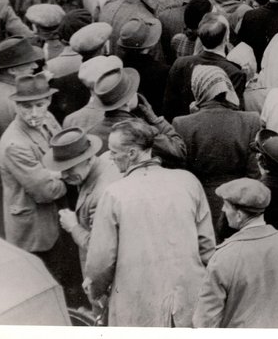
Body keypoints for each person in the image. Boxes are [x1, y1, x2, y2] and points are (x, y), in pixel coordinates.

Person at [85, 119, 216, 326]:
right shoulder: (188, 181)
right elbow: (207, 247)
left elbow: (101, 261)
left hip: (138, 305)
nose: (110, 157)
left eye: (114, 152)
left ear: (131, 153)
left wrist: (96, 291)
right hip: (188, 301)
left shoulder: (114, 194)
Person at [193, 177, 278, 328]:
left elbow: (205, 321)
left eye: (226, 206)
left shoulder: (223, 257)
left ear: (239, 215)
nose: (223, 210)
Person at [0, 74, 79, 299]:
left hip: (55, 217)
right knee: (45, 287)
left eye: (39, 105)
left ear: (49, 101)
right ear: (16, 105)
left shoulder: (47, 118)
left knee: (63, 278)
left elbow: (62, 152)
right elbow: (46, 192)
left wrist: (55, 174)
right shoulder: (15, 144)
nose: (33, 113)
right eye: (26, 106)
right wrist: (67, 176)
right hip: (36, 230)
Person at [172, 66, 261, 235]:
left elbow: (182, 173)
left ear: (197, 89)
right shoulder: (250, 120)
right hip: (239, 206)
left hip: (201, 205)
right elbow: (254, 173)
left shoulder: (182, 124)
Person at [47, 126, 121, 276]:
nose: (64, 176)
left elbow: (99, 248)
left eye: (69, 169)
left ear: (89, 159)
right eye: (62, 169)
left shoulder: (101, 195)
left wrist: (73, 226)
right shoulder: (105, 159)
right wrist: (64, 172)